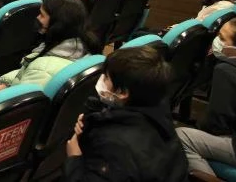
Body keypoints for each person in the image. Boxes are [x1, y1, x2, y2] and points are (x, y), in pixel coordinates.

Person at [65, 45, 189, 182]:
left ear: (123, 92)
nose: (101, 80)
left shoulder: (114, 145)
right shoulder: (159, 109)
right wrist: (94, 119)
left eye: (106, 77)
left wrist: (74, 158)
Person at [175, 16, 236, 179]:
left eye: (222, 38)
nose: (216, 41)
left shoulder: (228, 71)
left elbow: (215, 125)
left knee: (182, 136)